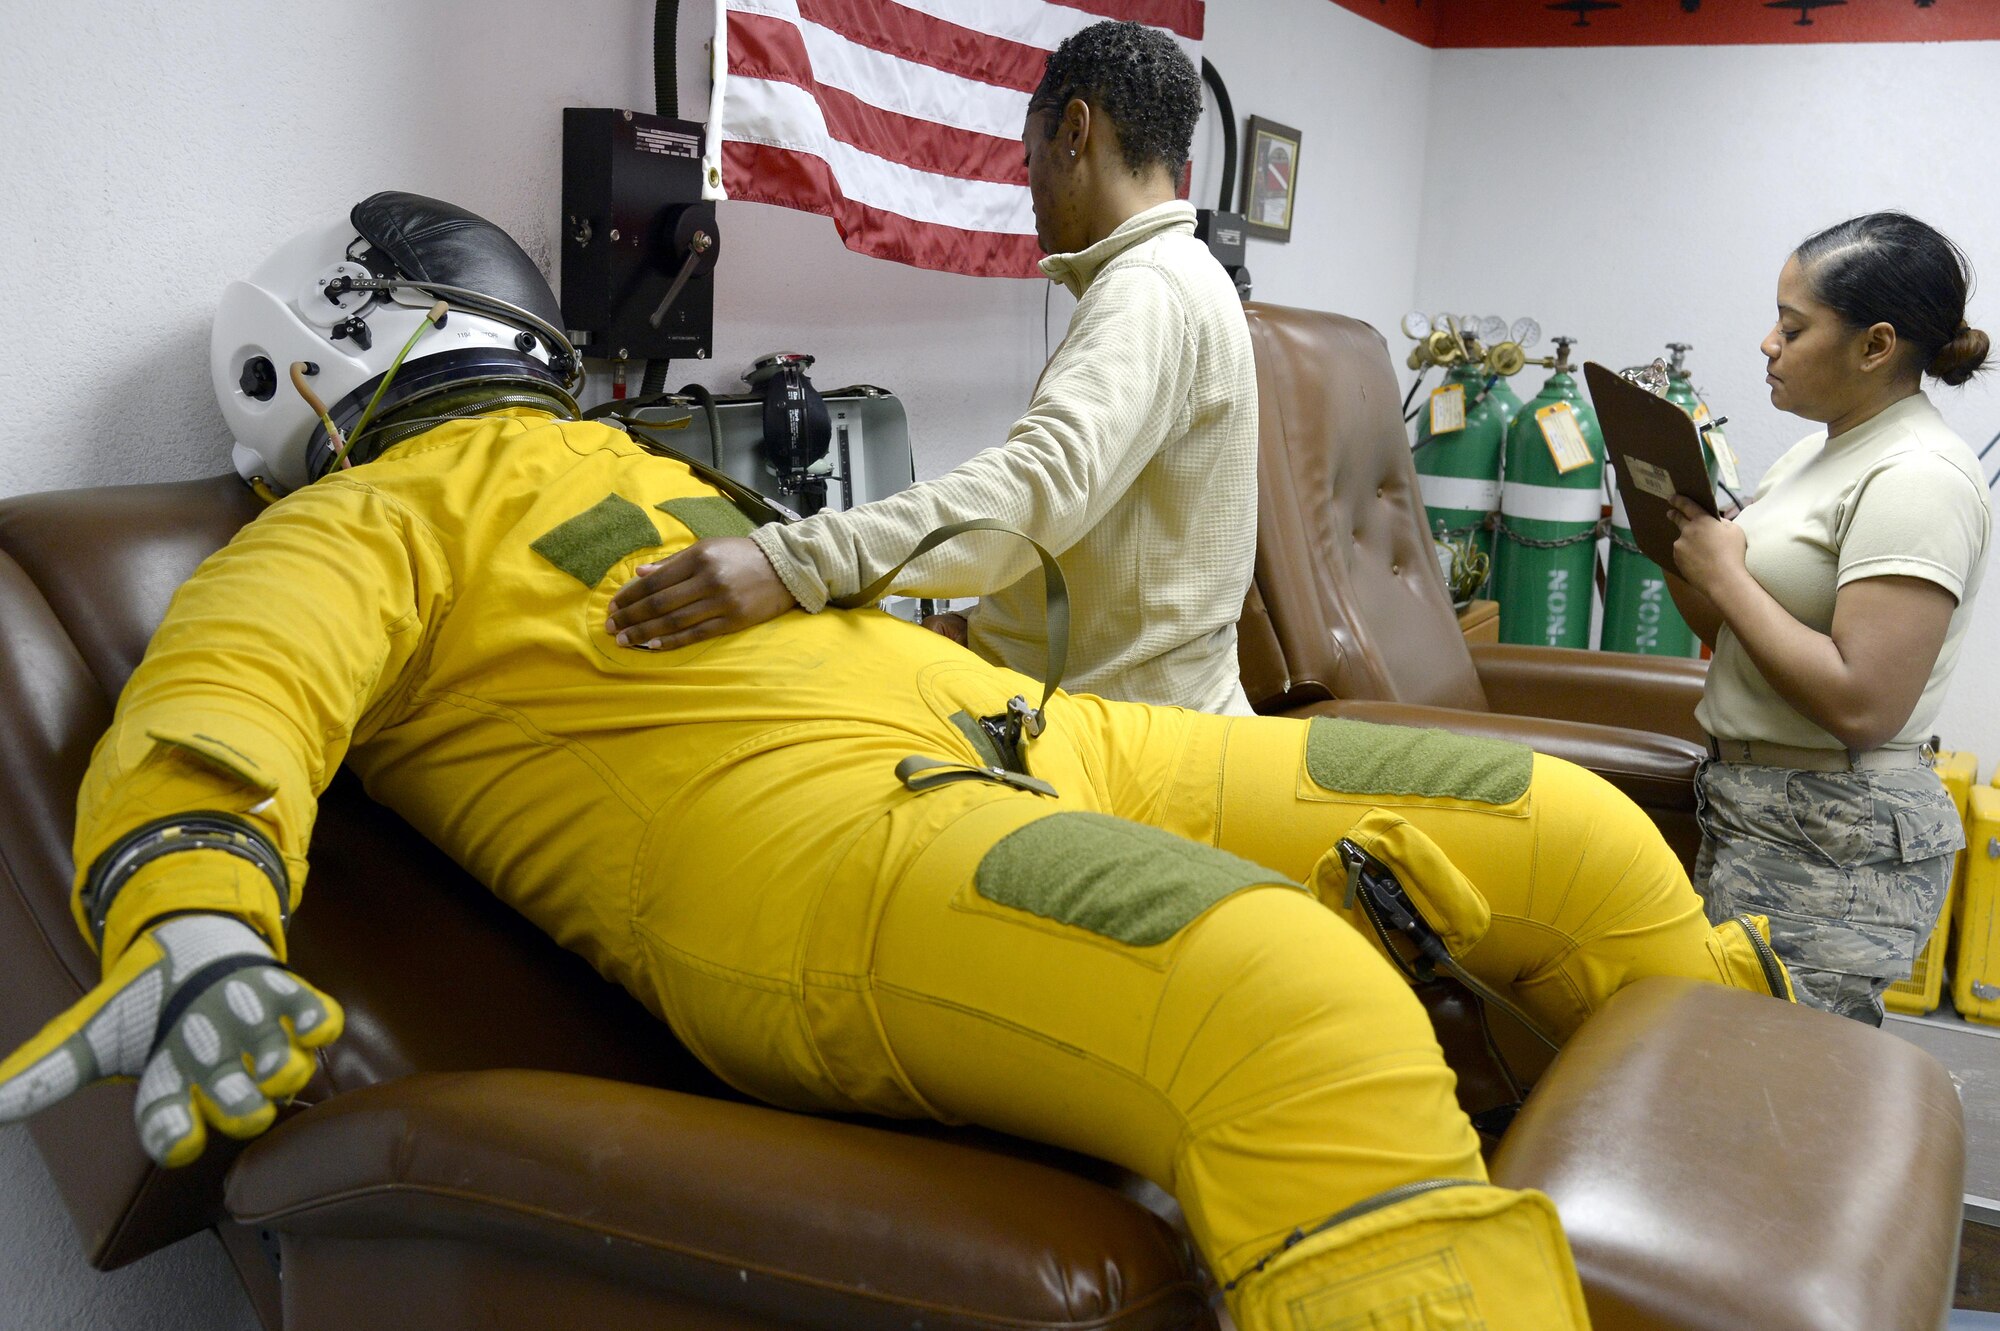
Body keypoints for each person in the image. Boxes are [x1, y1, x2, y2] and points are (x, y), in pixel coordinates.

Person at [0, 194, 1790, 1331]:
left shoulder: (648, 471)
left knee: (1567, 826)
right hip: (807, 847)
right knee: (1289, 999)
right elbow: (225, 706)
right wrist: (193, 914)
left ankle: (1721, 1268)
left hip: (1006, 740)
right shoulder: (364, 519)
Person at [603, 20, 1261, 715]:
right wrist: (985, 626)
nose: (1028, 183)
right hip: (1155, 703)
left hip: (1131, 740)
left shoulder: (1147, 288)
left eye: (1030, 155)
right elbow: (1118, 537)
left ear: (1075, 132)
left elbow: (1039, 487)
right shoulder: (1190, 276)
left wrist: (792, 561)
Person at [1666, 212, 1992, 1025]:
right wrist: (1674, 542)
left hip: (1831, 841)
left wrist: (1726, 574)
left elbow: (1864, 703)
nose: (1768, 344)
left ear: (1875, 346)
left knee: (1777, 1095)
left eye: (1792, 326)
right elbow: (1727, 615)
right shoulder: (1819, 451)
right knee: (1722, 1071)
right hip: (1759, 808)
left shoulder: (1918, 477)